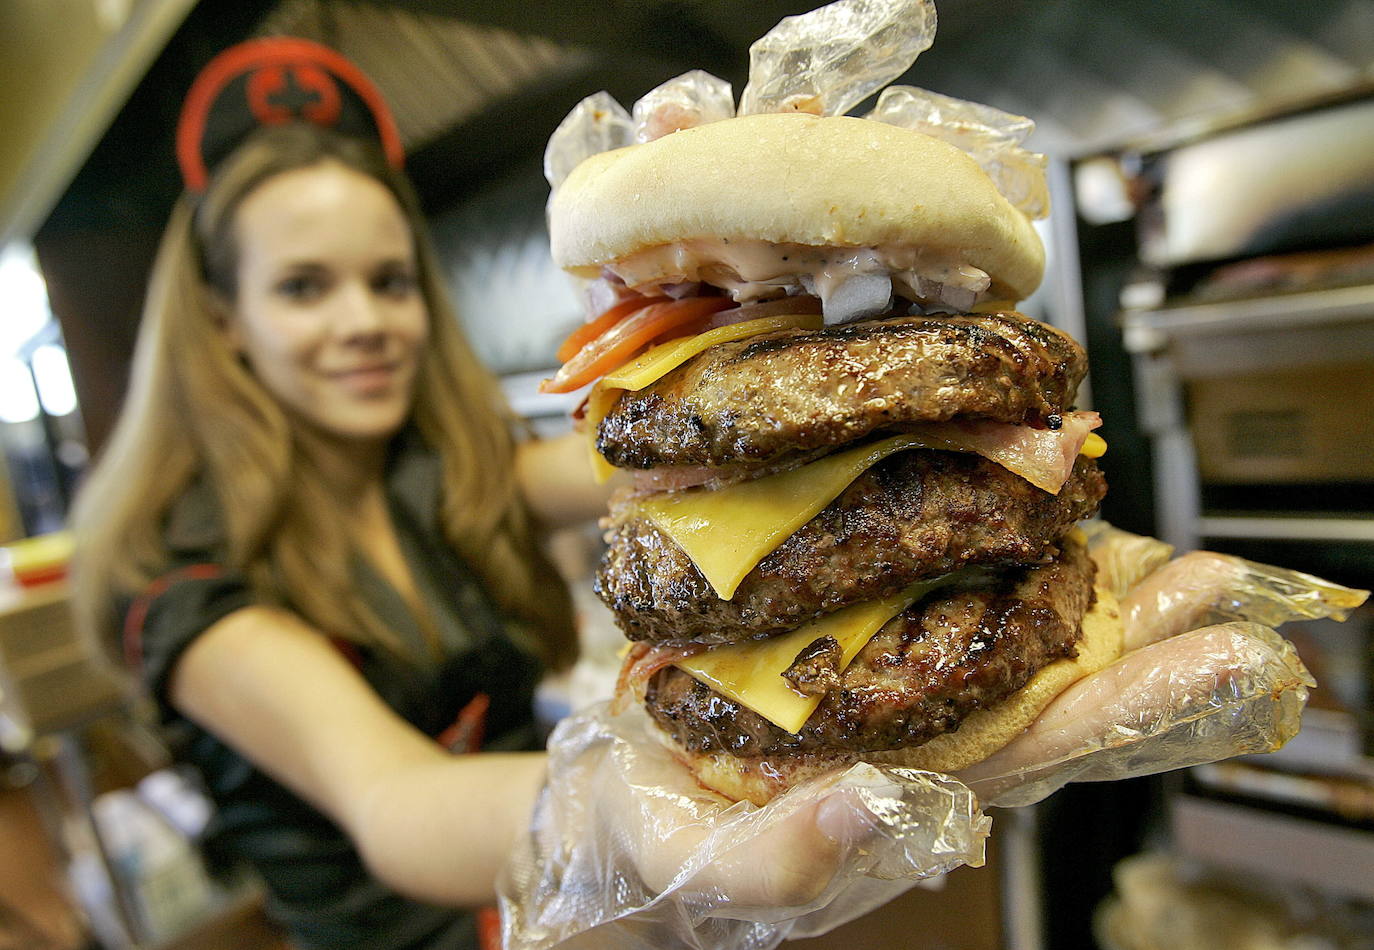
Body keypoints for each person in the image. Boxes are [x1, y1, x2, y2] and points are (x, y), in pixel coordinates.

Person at [66, 38, 654, 950]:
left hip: (548, 913)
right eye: (304, 288)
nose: (364, 324)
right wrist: (646, 803)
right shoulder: (184, 573)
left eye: (389, 282)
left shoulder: (438, 475)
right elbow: (395, 799)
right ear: (226, 323)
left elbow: (622, 468)